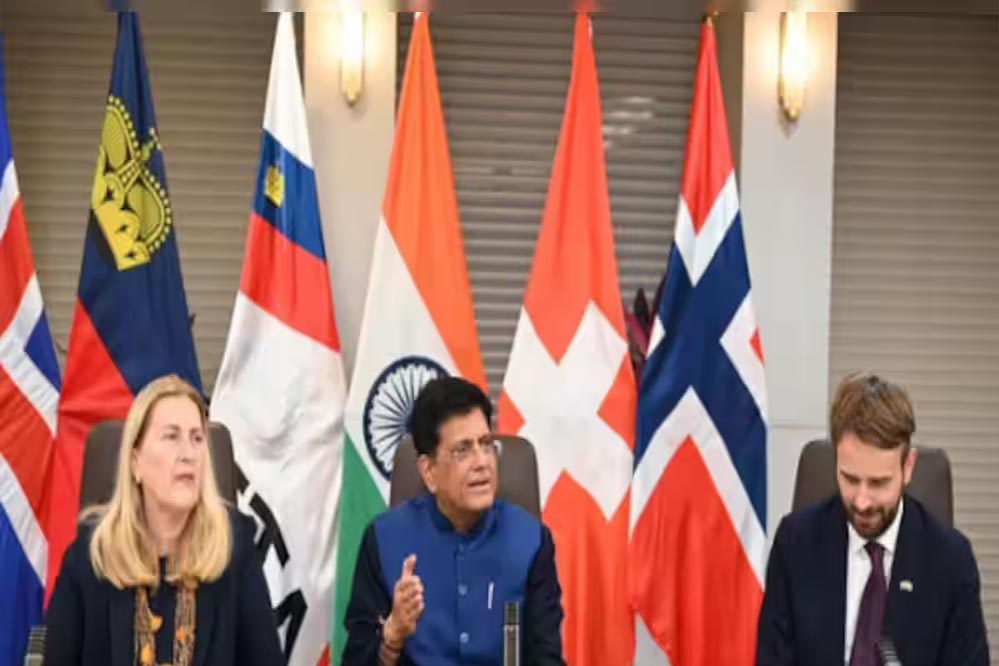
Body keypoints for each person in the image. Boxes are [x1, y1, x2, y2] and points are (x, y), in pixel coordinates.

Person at [45, 375, 283, 666]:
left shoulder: (234, 547)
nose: (188, 454)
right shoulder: (91, 556)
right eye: (171, 437)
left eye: (197, 439)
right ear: (136, 462)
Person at [756, 373, 989, 666]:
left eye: (878, 483)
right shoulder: (795, 545)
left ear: (908, 467)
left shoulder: (951, 561)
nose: (862, 501)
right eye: (850, 479)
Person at [342, 376, 565, 665]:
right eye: (463, 450)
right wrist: (392, 636)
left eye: (486, 444)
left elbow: (547, 658)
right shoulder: (384, 540)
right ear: (429, 472)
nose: (482, 462)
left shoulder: (531, 542)